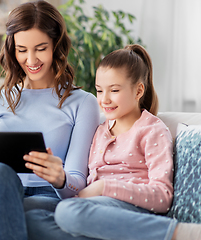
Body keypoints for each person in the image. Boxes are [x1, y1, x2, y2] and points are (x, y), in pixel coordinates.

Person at [0, 1, 100, 239]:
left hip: (45, 197)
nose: (31, 59)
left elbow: (77, 182)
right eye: (22, 50)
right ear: (12, 49)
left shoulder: (82, 103)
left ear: (56, 46)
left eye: (40, 48)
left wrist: (61, 178)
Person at [26, 44, 201, 240]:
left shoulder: (152, 130)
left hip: (131, 209)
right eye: (100, 91)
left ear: (138, 91)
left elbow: (162, 197)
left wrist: (104, 187)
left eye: (114, 90)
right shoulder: (100, 131)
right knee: (30, 215)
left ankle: (177, 233)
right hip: (93, 208)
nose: (104, 99)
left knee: (68, 211)